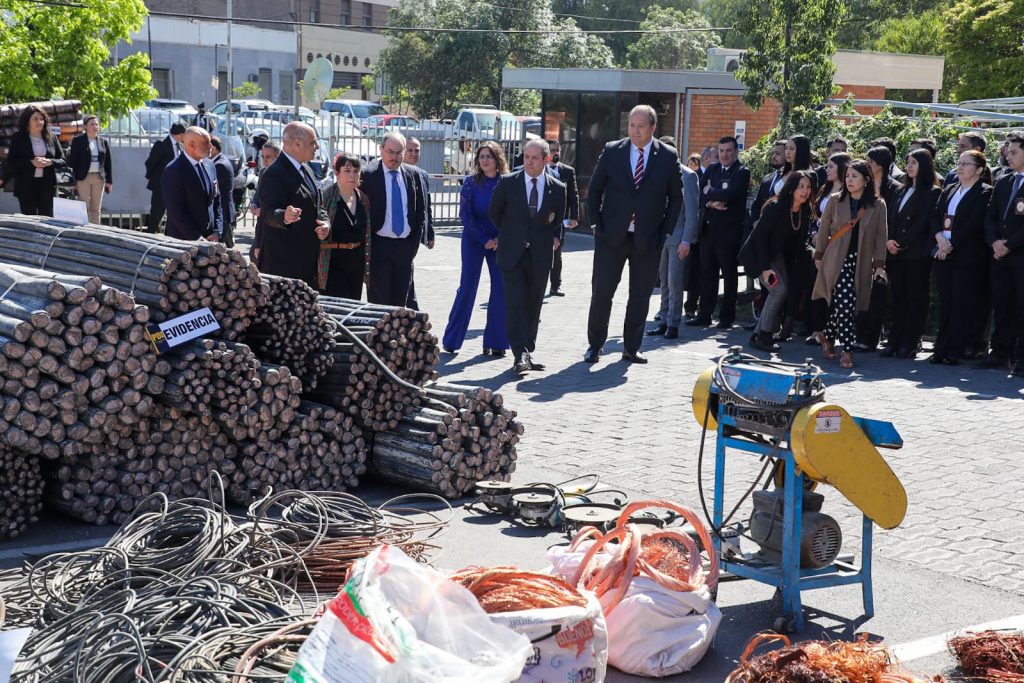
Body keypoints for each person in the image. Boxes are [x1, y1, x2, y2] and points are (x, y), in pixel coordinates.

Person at [584, 105, 684, 364]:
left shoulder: (668, 156)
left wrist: (666, 230)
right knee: (602, 292)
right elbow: (594, 189)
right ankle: (595, 345)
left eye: (640, 126)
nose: (635, 131)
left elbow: (676, 197)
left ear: (653, 127)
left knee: (639, 296)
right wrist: (595, 224)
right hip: (610, 236)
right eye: (631, 125)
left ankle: (631, 347)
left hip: (648, 239)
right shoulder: (612, 150)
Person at [810, 160, 888, 369]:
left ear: (866, 179)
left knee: (849, 302)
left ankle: (826, 333)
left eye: (855, 176)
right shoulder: (836, 200)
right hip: (836, 258)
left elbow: (881, 236)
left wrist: (879, 264)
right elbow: (824, 227)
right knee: (845, 301)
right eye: (847, 176)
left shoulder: (878, 204)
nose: (850, 180)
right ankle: (847, 348)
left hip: (861, 260)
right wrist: (818, 255)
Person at [443, 142, 510, 357]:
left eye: (489, 156)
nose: (485, 160)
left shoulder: (507, 183)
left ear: (498, 158)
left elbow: (512, 215)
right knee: (467, 287)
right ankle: (452, 340)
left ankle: (497, 342)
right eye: (481, 156)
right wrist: (484, 239)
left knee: (500, 289)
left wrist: (499, 238)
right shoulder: (471, 183)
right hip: (474, 240)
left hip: (500, 240)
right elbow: (466, 216)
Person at [930, 150, 993, 365]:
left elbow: (975, 223)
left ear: (979, 169)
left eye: (967, 164)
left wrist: (951, 244)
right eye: (960, 163)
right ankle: (941, 347)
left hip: (966, 256)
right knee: (945, 302)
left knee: (961, 303)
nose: (961, 167)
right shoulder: (949, 189)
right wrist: (939, 238)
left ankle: (955, 350)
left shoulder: (985, 192)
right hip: (942, 252)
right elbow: (936, 216)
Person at [881, 148, 942, 358]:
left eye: (914, 163)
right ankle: (894, 340)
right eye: (908, 162)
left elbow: (923, 222)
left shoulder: (932, 191)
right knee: (897, 297)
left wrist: (901, 242)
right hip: (894, 252)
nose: (909, 166)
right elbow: (890, 217)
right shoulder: (900, 190)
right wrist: (889, 240)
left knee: (915, 298)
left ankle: (909, 342)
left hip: (916, 253)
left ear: (924, 165)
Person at [746, 170, 815, 352]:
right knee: (778, 290)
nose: (805, 191)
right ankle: (765, 335)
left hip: (777, 256)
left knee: (781, 291)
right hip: (758, 256)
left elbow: (799, 244)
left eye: (808, 187)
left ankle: (757, 335)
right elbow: (760, 238)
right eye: (801, 186)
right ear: (791, 188)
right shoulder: (775, 206)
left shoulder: (804, 210)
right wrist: (765, 268)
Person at [255, 122, 329, 287]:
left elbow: (317, 205)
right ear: (297, 144)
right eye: (313, 142)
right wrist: (284, 216)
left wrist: (325, 223)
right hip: (283, 265)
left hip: (306, 261)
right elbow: (268, 212)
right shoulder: (274, 173)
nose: (316, 146)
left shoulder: (307, 169)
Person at [688, 135, 750, 330]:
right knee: (707, 273)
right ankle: (704, 314)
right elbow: (700, 194)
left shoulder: (742, 172)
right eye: (721, 151)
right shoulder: (713, 169)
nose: (724, 154)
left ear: (736, 151)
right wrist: (712, 201)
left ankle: (726, 318)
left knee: (729, 276)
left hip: (729, 234)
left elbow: (730, 194)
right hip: (708, 231)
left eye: (729, 150)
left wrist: (711, 192)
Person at [362, 131, 428, 306]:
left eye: (399, 152)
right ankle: (378, 334)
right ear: (381, 149)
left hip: (404, 247)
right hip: (379, 247)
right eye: (390, 152)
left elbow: (420, 211)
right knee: (379, 302)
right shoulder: (368, 175)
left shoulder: (413, 174)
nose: (395, 157)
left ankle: (398, 334)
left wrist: (412, 245)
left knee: (401, 303)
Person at [983, 131, 1024, 376]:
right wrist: (995, 241)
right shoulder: (1005, 180)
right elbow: (991, 215)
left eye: (1014, 152)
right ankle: (1000, 353)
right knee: (1002, 305)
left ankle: (1021, 358)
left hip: (1020, 255)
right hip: (1000, 255)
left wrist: (1010, 244)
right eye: (1007, 152)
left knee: (1021, 307)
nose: (1008, 156)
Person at [648, 144, 699, 339]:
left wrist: (686, 240)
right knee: (663, 282)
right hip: (661, 237)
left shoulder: (688, 176)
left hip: (679, 238)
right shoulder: (659, 173)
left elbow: (693, 212)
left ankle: (674, 323)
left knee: (675, 281)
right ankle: (663, 319)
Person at [805, 153, 852, 345]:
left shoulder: (848, 193)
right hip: (818, 244)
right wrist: (815, 233)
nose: (826, 169)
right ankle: (817, 329)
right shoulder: (825, 189)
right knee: (816, 288)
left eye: (831, 166)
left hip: (837, 246)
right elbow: (815, 215)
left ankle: (830, 331)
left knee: (834, 290)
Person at [319, 152, 370, 299]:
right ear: (336, 172)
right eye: (347, 171)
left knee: (353, 304)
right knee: (337, 305)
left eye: (356, 171)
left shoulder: (363, 199)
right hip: (333, 262)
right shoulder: (326, 197)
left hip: (356, 262)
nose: (352, 176)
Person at [161, 127, 223, 242]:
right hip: (183, 242)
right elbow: (176, 211)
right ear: (191, 145)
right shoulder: (174, 170)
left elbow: (216, 200)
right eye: (206, 143)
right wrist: (197, 238)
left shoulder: (210, 165)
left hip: (210, 239)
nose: (211, 146)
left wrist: (217, 231)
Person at [7, 105, 66, 217]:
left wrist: (50, 162)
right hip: (26, 185)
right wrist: (31, 162)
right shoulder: (18, 138)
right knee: (30, 219)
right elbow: (12, 161)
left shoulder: (51, 137)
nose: (39, 121)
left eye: (41, 119)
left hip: (47, 185)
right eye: (35, 119)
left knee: (47, 218)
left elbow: (63, 160)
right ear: (27, 121)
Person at [403, 137, 435, 310]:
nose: (414, 154)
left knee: (408, 270)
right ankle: (412, 308)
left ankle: (411, 308)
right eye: (410, 150)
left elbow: (426, 205)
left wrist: (429, 233)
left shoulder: (422, 174)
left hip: (415, 232)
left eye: (417, 150)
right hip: (400, 233)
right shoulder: (397, 173)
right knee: (407, 272)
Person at [545, 138, 579, 297]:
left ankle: (555, 285)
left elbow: (574, 195)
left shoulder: (567, 171)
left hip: (560, 219)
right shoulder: (540, 169)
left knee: (557, 252)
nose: (555, 153)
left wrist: (574, 216)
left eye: (557, 150)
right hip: (541, 218)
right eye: (552, 150)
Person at [69, 115, 112, 225]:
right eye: (92, 124)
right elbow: (73, 162)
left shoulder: (103, 142)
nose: (95, 126)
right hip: (83, 177)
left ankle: (96, 230)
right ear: (85, 127)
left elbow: (108, 162)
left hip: (98, 178)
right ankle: (85, 229)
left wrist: (109, 181)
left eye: (96, 124)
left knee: (96, 208)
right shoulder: (78, 141)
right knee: (84, 206)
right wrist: (73, 181)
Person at [145, 121, 186, 233]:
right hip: (161, 184)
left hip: (175, 185)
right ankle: (151, 233)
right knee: (157, 211)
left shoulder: (180, 147)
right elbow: (150, 163)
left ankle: (170, 233)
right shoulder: (162, 144)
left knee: (174, 212)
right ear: (179, 134)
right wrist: (154, 178)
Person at [250, 140, 281, 262]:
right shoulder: (263, 171)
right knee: (255, 256)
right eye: (262, 156)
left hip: (273, 222)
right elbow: (258, 193)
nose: (264, 160)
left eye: (268, 157)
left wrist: (263, 210)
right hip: (261, 224)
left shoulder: (281, 174)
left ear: (277, 156)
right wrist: (253, 204)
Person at [750, 141, 787, 228]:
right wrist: (755, 222)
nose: (774, 156)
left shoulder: (790, 178)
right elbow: (757, 204)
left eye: (778, 154)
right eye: (773, 153)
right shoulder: (767, 178)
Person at [209, 136, 236, 247]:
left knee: (225, 249)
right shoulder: (220, 161)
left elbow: (213, 191)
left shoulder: (219, 165)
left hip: (223, 212)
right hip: (224, 212)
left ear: (213, 148)